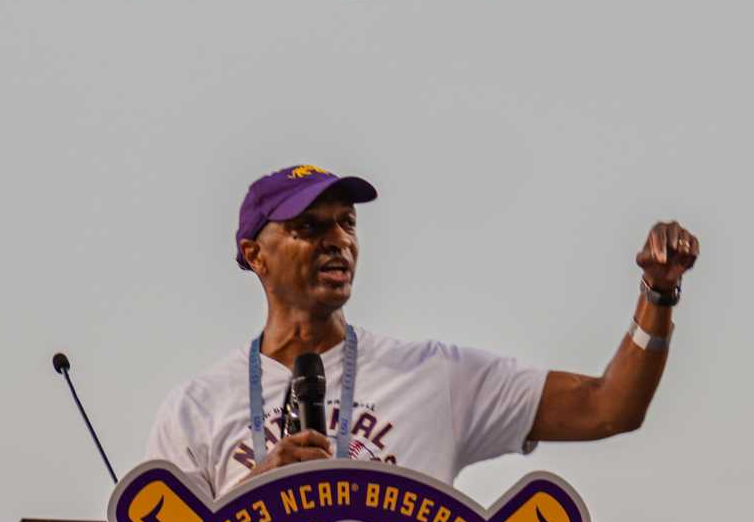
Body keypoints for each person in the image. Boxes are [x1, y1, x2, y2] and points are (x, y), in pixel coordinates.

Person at [145, 164, 702, 499]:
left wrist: (657, 294)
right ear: (254, 256)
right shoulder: (197, 407)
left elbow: (609, 407)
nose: (336, 239)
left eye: (347, 223)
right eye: (308, 228)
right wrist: (255, 494)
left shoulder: (434, 377)